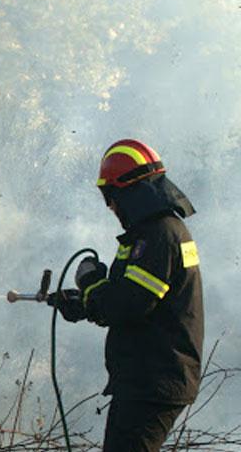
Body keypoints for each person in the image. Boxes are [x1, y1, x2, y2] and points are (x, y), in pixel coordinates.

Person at [48, 139, 203, 452]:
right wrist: (84, 303)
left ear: (129, 191)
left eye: (111, 196)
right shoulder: (152, 234)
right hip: (146, 378)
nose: (110, 207)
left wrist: (91, 283)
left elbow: (128, 305)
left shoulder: (159, 235)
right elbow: (128, 298)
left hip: (154, 380)